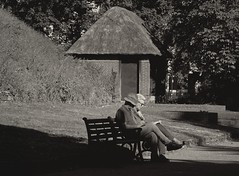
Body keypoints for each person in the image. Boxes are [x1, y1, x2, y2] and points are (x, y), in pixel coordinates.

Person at [115, 93, 184, 162]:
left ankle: (155, 157)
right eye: (132, 104)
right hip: (130, 133)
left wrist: (140, 122)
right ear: (128, 102)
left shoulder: (130, 110)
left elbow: (136, 121)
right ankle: (168, 143)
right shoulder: (122, 111)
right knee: (152, 125)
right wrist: (138, 125)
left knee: (153, 135)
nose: (133, 106)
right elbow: (124, 126)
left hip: (137, 130)